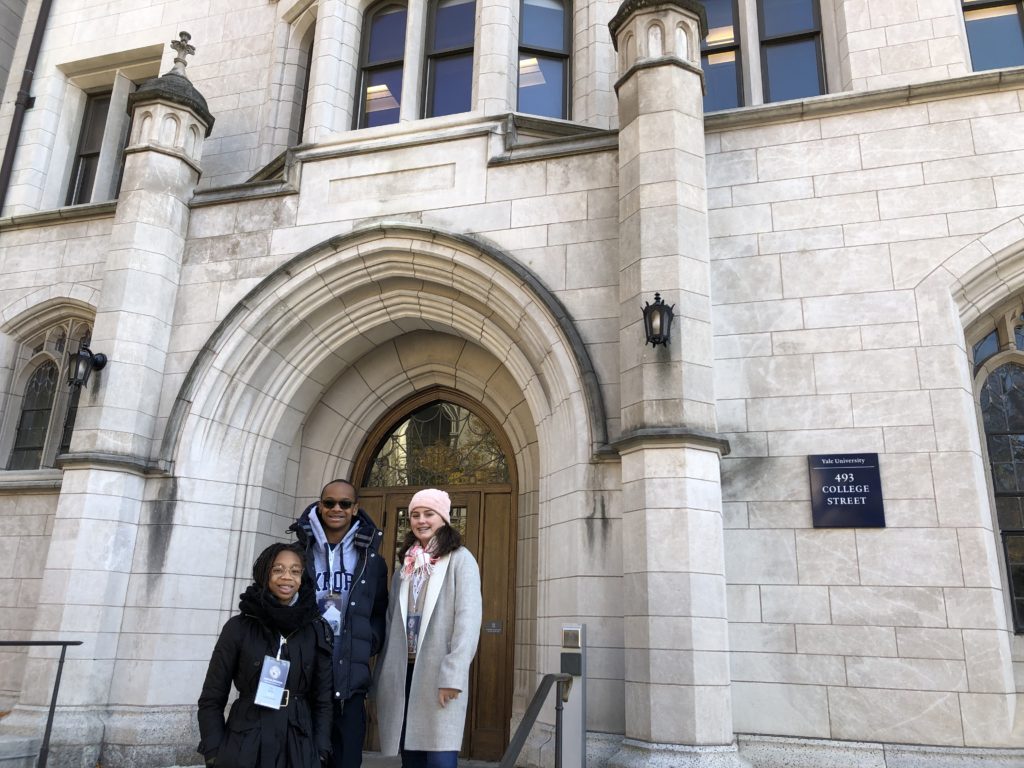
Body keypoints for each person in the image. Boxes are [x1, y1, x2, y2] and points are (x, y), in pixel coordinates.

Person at [197, 542, 333, 768]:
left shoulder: (316, 630)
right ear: (264, 574)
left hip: (298, 746)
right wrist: (214, 752)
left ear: (303, 578)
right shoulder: (238, 627)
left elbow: (323, 702)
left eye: (295, 571)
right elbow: (211, 697)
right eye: (277, 569)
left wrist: (319, 753)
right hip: (244, 744)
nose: (286, 577)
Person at [374, 488, 482, 768]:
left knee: (439, 757)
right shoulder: (404, 568)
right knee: (411, 756)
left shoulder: (461, 560)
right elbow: (390, 623)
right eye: (415, 515)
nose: (421, 520)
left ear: (443, 518)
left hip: (438, 673)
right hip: (404, 672)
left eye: (428, 514)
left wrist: (453, 675)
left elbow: (468, 622)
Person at [289, 479, 389, 768]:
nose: (336, 509)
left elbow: (379, 613)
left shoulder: (373, 562)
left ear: (355, 509)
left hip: (349, 680)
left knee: (345, 760)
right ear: (320, 506)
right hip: (304, 678)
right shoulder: (296, 554)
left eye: (345, 504)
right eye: (329, 502)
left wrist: (368, 642)